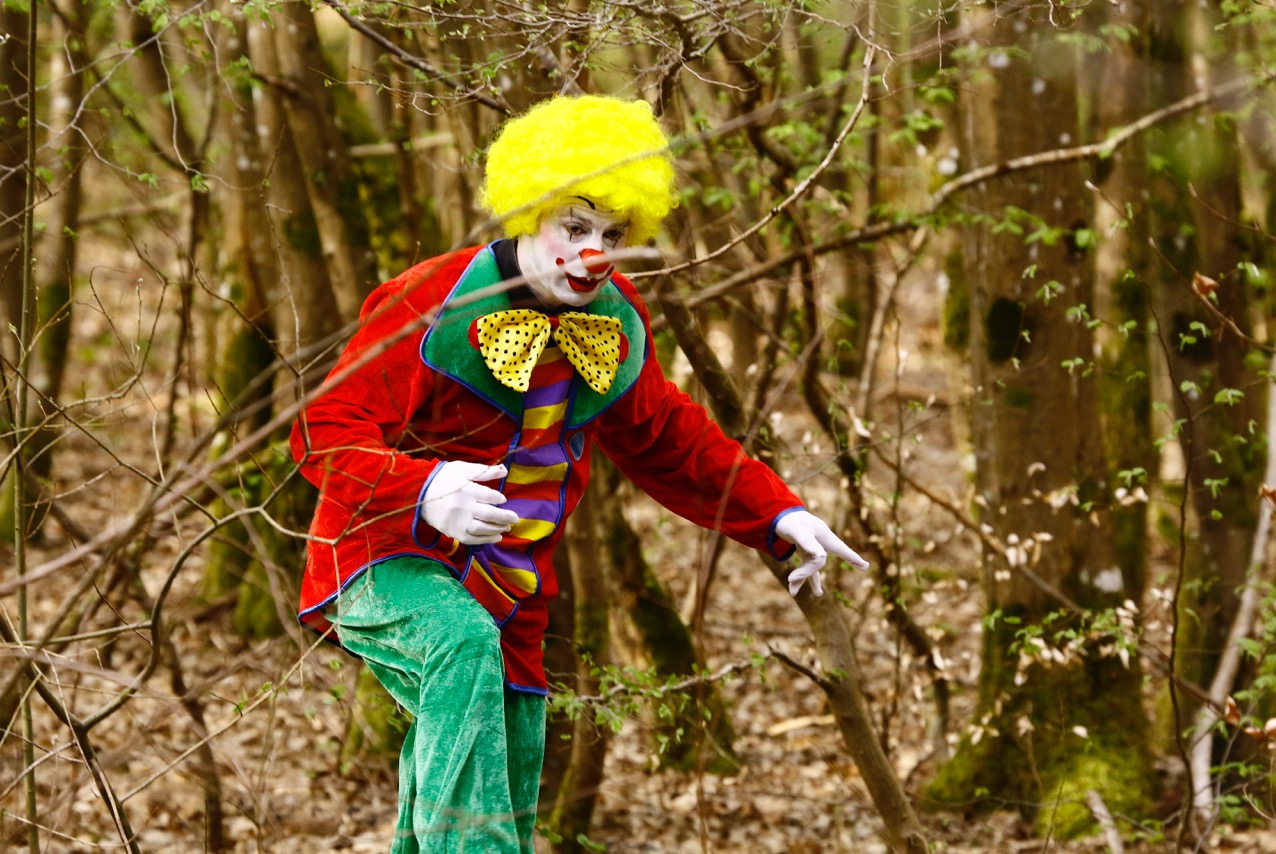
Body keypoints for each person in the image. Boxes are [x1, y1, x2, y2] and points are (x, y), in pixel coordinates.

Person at [289, 94, 869, 854]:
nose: (595, 253)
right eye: (575, 228)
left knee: (503, 763)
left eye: (613, 235)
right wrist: (423, 490)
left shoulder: (617, 320)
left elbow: (668, 437)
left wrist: (779, 514)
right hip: (381, 558)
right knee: (459, 646)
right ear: (531, 213)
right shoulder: (433, 299)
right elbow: (322, 429)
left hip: (514, 587)